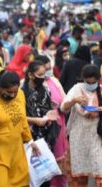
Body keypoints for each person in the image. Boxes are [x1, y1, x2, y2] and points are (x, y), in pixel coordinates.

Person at [0, 70, 39, 187]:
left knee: (21, 184)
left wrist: (30, 140)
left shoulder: (20, 94)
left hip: (16, 151)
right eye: (8, 92)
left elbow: (22, 120)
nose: (12, 95)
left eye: (15, 92)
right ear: (0, 87)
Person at [61, 65, 102, 187]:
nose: (90, 85)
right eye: (88, 82)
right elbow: (63, 108)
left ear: (98, 80)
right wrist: (73, 101)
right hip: (79, 138)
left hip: (98, 138)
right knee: (79, 173)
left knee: (101, 170)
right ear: (83, 79)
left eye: (93, 82)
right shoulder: (76, 89)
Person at [35, 56, 68, 187]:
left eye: (50, 69)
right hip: (41, 128)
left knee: (59, 161)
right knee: (44, 161)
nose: (48, 72)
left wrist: (61, 106)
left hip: (58, 126)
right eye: (45, 69)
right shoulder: (30, 84)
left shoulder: (54, 81)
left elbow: (64, 100)